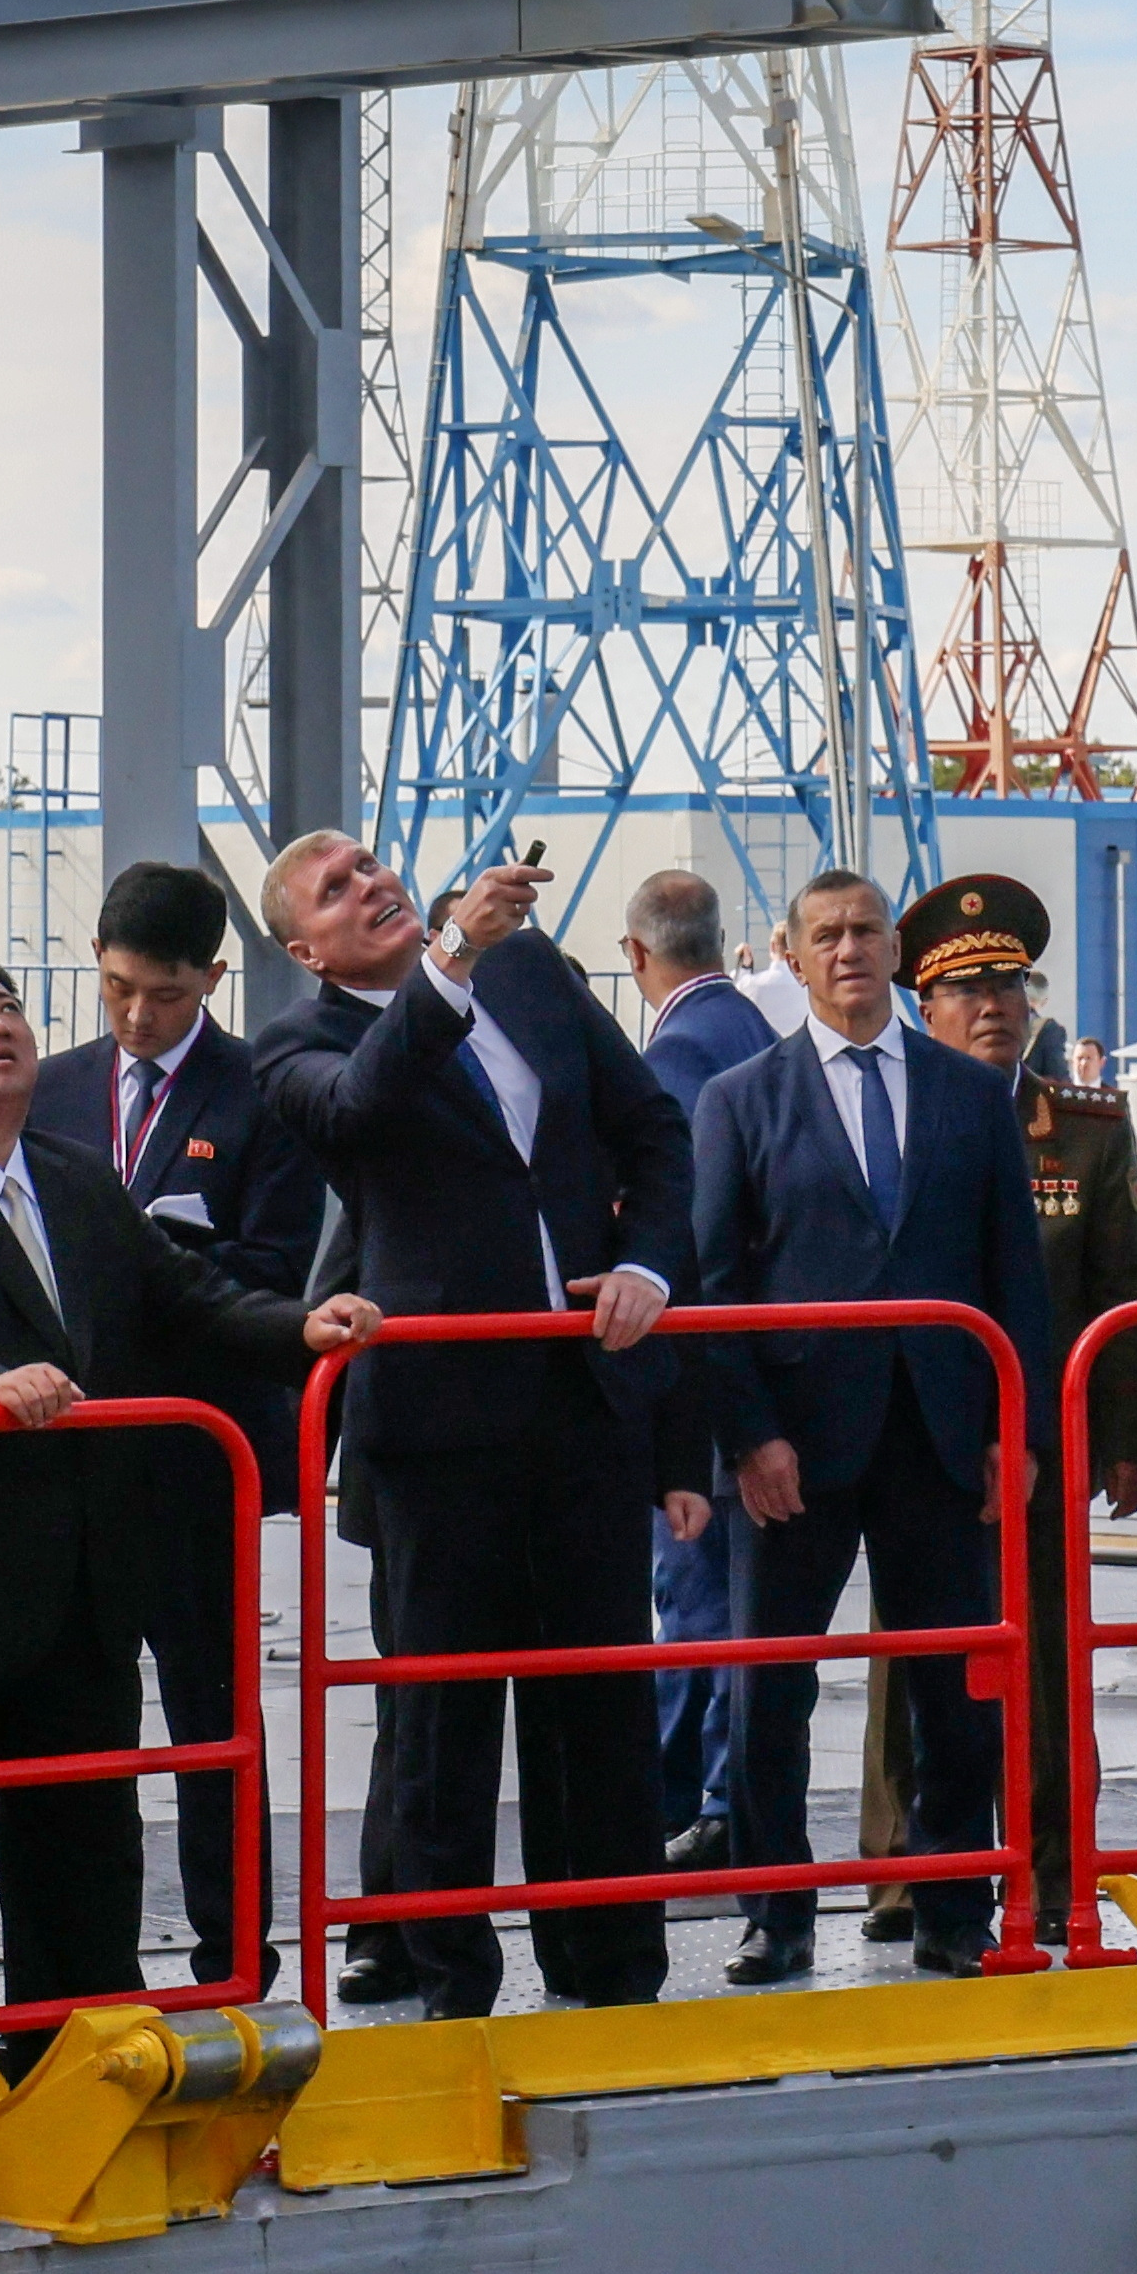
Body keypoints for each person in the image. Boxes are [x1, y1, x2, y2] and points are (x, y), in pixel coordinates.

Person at [0, 952, 342, 2120]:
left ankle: (75, 2076)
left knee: (83, 1858)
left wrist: (305, 1326)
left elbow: (182, 1297)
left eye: (6, 1008)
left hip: (76, 1581)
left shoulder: (75, 1176)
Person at [256, 829, 703, 2018]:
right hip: (438, 1421)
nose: (372, 885)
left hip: (585, 1397)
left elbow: (652, 1129)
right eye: (337, 890)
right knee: (444, 1725)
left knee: (596, 1711)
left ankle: (611, 1974)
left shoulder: (531, 973)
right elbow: (358, 1113)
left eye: (370, 864)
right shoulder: (299, 1042)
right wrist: (444, 962)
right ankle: (450, 1984)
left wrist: (647, 1266)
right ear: (303, 945)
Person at [687, 870, 1056, 1981]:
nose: (847, 949)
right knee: (769, 1689)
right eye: (824, 935)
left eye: (864, 930)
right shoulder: (740, 1098)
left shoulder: (966, 1093)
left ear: (895, 950)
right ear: (790, 959)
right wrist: (748, 1435)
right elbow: (712, 1281)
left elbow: (1013, 1275)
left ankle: (952, 1906)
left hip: (939, 1434)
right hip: (792, 1447)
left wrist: (1014, 1428)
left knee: (955, 1686)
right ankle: (776, 1912)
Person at [857, 926, 1137, 1936]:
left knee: (1047, 1662)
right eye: (961, 988)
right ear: (920, 1006)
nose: (990, 1006)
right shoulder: (892, 1108)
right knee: (916, 1651)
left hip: (1042, 1437)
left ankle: (1057, 1873)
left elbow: (1121, 1281)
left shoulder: (1083, 1125)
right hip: (919, 1430)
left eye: (1005, 986)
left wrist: (1128, 1436)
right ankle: (907, 1874)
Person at [66, 857, 318, 1843]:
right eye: (118, 987)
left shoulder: (262, 1090)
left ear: (211, 980)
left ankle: (233, 1943)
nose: (136, 1015)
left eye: (165, 995)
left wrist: (145, 1249)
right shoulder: (51, 1091)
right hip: (76, 1455)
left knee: (211, 1717)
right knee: (84, 1726)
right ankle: (91, 1955)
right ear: (93, 959)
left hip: (198, 1453)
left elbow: (276, 1270)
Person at [619, 875, 780, 1858]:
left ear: (636, 956)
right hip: (774, 1351)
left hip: (699, 1361)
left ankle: (704, 1800)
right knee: (740, 1596)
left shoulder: (675, 1053)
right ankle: (710, 1792)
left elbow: (676, 1221)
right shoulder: (764, 1034)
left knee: (695, 1597)